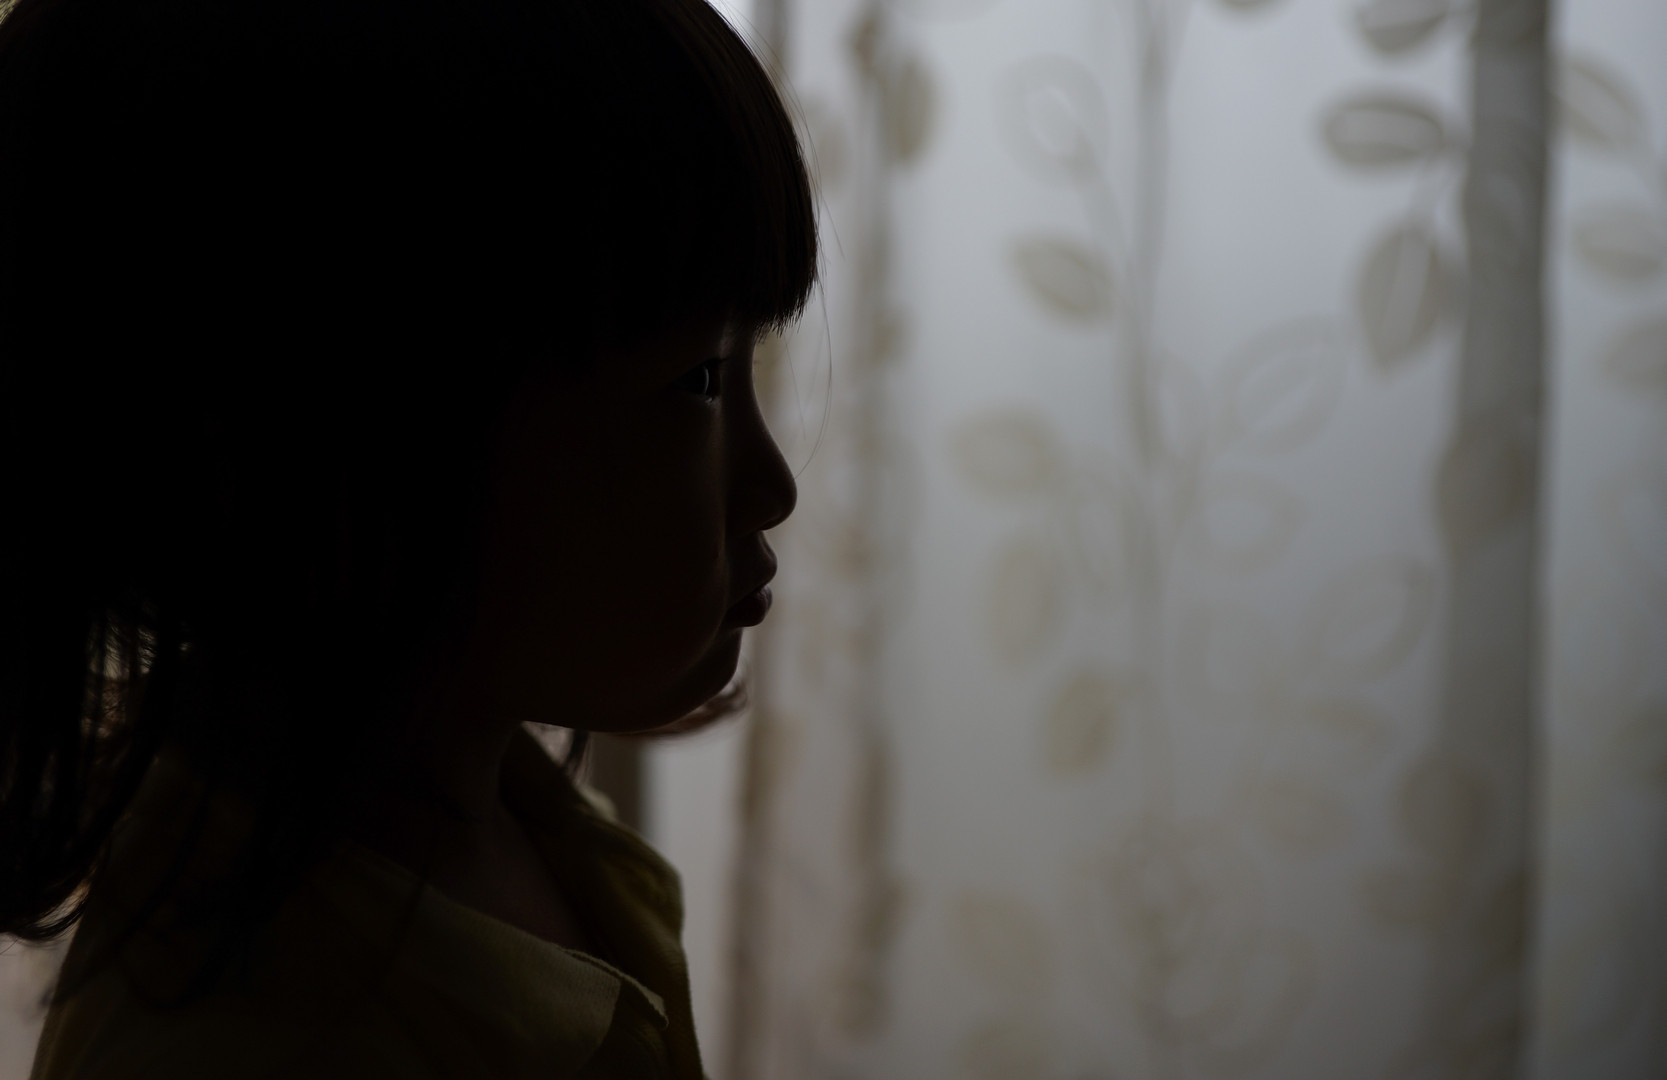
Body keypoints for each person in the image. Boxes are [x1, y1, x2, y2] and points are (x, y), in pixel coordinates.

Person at [0, 0, 815, 1073]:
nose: (773, 487)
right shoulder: (236, 1040)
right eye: (698, 382)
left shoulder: (505, 821)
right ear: (334, 444)